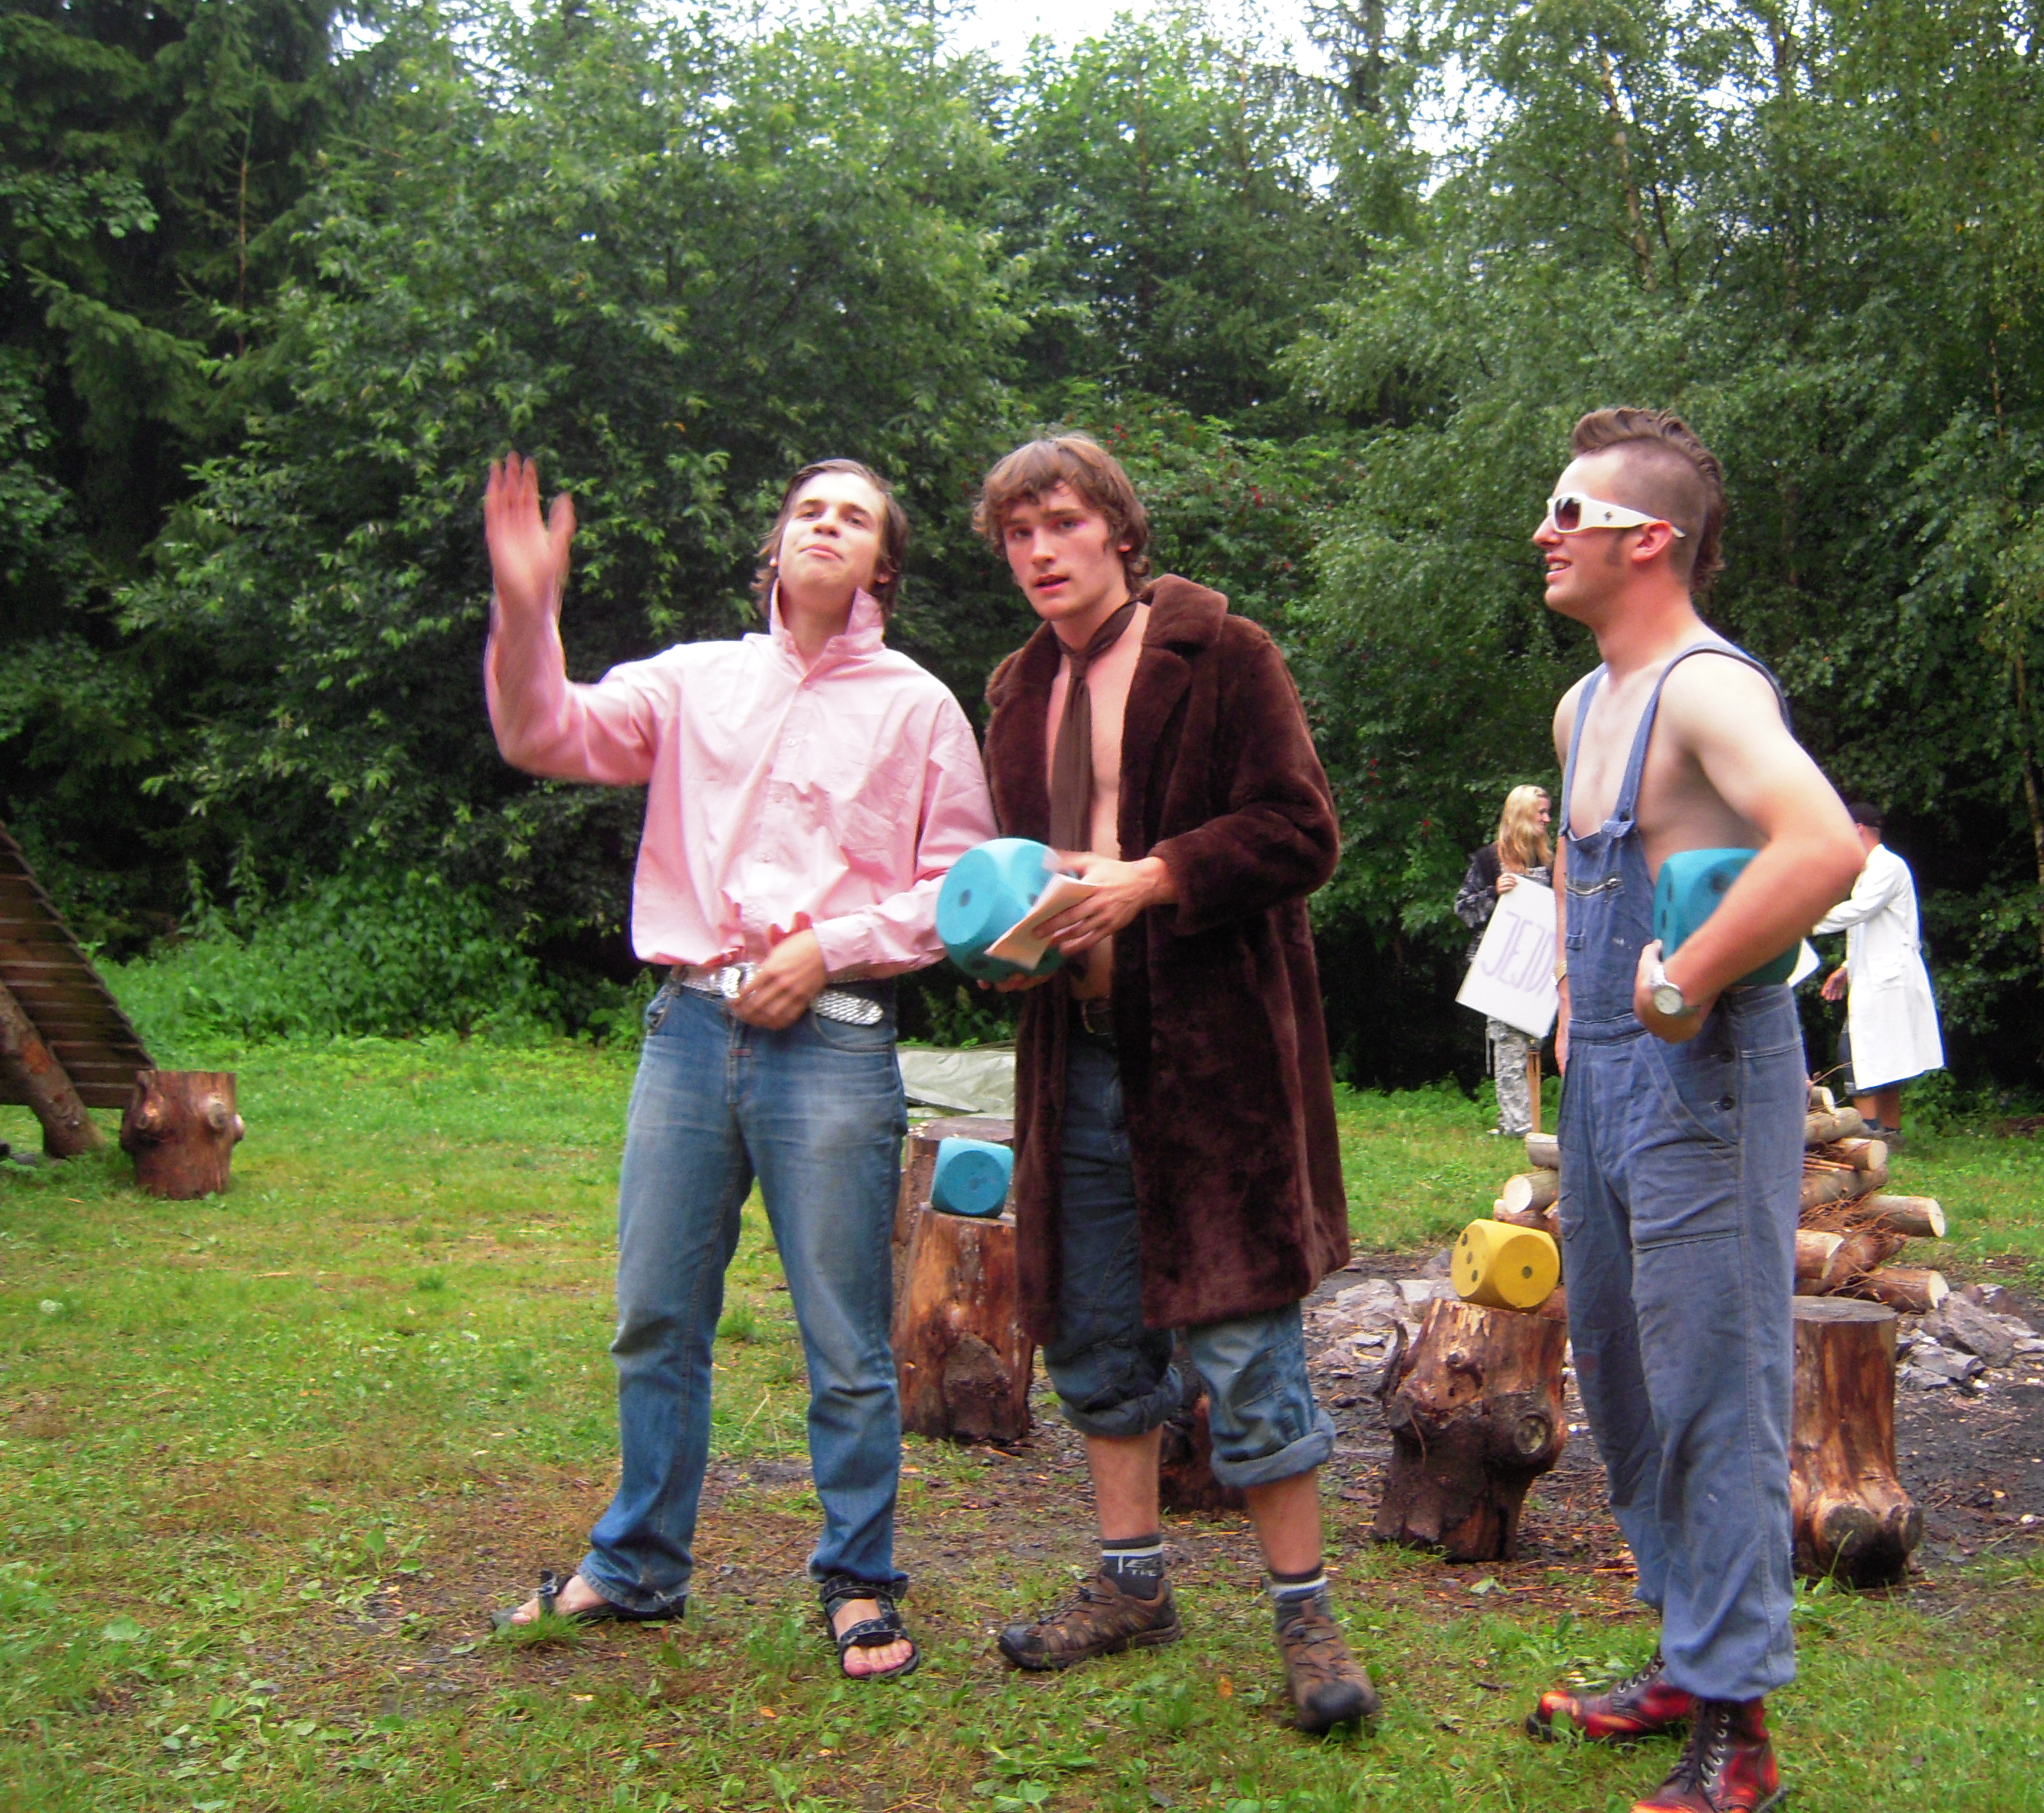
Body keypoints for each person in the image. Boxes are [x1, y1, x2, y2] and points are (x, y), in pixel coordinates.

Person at [480, 453, 995, 1682]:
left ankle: (859, 1580)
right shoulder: (693, 679)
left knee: (845, 1339)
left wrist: (827, 948)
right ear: (775, 544)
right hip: (689, 1033)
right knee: (655, 1315)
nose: (827, 525)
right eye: (809, 509)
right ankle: (637, 1564)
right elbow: (541, 732)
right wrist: (526, 608)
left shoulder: (920, 706)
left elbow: (960, 890)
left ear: (882, 565)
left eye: (855, 517)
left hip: (837, 1044)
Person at [971, 433, 1377, 1734]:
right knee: (1094, 1329)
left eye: (1062, 523)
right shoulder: (1015, 690)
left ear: (1119, 531)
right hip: (1077, 1057)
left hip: (1214, 1067)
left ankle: (1304, 1613)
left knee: (1245, 1338)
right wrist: (1004, 943)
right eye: (1019, 534)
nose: (1041, 552)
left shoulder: (1225, 652)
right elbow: (1014, 867)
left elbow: (1302, 830)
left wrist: (1155, 878)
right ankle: (1131, 1585)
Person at [1520, 410, 1865, 1813]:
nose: (1543, 533)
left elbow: (1824, 845)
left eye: (1569, 512)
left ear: (1647, 539)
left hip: (1704, 1074)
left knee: (1714, 1388)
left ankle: (1738, 1729)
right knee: (1620, 1372)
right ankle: (1683, 1654)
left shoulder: (1707, 689)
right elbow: (1582, 875)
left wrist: (1684, 981)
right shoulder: (1583, 706)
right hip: (1606, 1076)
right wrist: (1572, 1007)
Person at [1814, 801, 1943, 1135]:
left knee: (1857, 1053)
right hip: (1877, 974)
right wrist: (1846, 967)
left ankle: (1869, 1134)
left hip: (1889, 977)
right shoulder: (1872, 869)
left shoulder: (1888, 866)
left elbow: (1861, 910)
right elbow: (1875, 929)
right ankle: (1889, 1134)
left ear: (1857, 829)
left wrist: (1803, 922)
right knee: (1884, 1056)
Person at [1455, 786, 1556, 1136]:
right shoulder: (1488, 860)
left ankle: (1529, 1118)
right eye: (1540, 812)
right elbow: (1463, 909)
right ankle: (1515, 1123)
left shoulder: (1551, 862)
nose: (1547, 819)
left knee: (1534, 1042)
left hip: (1540, 966)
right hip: (1500, 965)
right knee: (1506, 1039)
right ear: (1521, 814)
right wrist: (1494, 893)